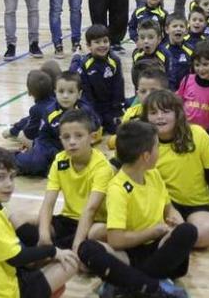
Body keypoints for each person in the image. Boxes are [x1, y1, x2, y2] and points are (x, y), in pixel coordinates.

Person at [76, 121, 197, 298]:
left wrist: (176, 220)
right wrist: (152, 232)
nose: (159, 151)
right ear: (146, 156)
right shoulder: (118, 189)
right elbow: (116, 240)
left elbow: (169, 209)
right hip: (128, 252)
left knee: (188, 231)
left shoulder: (153, 174)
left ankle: (127, 283)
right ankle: (152, 287)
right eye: (157, 146)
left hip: (157, 249)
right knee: (87, 248)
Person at [0, 144, 78, 298]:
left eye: (11, 177)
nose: (9, 184)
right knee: (70, 263)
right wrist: (53, 251)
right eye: (0, 177)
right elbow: (17, 258)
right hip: (2, 293)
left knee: (41, 259)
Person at [141, 90, 209, 248]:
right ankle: (172, 238)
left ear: (177, 114)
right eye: (153, 113)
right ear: (146, 118)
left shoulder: (198, 135)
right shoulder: (143, 142)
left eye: (166, 111)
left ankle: (170, 239)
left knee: (208, 232)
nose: (159, 116)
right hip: (163, 207)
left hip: (196, 205)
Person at [35, 110, 113, 250]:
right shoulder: (59, 160)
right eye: (66, 137)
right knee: (18, 218)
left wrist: (77, 245)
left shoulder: (102, 167)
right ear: (60, 139)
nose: (72, 142)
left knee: (97, 232)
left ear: (93, 137)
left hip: (93, 222)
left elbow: (91, 209)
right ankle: (52, 248)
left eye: (78, 136)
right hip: (67, 220)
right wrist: (44, 236)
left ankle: (66, 249)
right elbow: (48, 203)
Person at [14, 71, 101, 176]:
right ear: (55, 92)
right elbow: (43, 138)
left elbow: (96, 125)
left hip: (75, 146)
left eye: (70, 91)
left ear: (79, 94)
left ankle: (52, 168)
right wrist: (56, 153)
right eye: (61, 91)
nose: (65, 96)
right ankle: (14, 158)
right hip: (50, 146)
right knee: (36, 163)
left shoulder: (85, 110)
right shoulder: (50, 112)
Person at [70, 24, 126, 140]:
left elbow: (118, 86)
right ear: (89, 46)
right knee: (95, 128)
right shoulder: (85, 64)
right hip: (93, 106)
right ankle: (76, 57)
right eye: (97, 42)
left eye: (105, 41)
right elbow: (86, 92)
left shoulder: (115, 61)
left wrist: (117, 109)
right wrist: (92, 113)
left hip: (109, 106)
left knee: (117, 129)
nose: (102, 45)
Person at [175, 40, 209, 132]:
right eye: (197, 65)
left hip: (207, 135)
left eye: (205, 64)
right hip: (186, 131)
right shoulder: (187, 80)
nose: (201, 69)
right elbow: (178, 102)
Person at [7, 69, 56, 140]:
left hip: (46, 144)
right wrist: (17, 126)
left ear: (29, 92)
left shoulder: (35, 109)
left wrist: (15, 131)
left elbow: (29, 133)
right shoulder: (55, 101)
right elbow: (29, 119)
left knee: (21, 135)